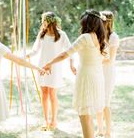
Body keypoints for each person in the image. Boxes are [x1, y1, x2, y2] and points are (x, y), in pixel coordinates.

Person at [43, 10, 106, 138]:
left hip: (86, 77)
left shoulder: (85, 37)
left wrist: (49, 63)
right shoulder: (99, 38)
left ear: (87, 23)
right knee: (88, 115)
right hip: (97, 76)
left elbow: (65, 53)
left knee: (84, 115)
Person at [27, 11, 74, 130]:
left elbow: (70, 51)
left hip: (55, 68)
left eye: (43, 20)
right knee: (44, 93)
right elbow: (35, 50)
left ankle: (54, 120)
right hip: (42, 67)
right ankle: (45, 120)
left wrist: (71, 64)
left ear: (49, 21)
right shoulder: (41, 34)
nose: (42, 22)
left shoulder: (62, 35)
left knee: (52, 94)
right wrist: (27, 55)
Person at [97, 11, 120, 138]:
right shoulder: (98, 35)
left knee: (105, 102)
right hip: (98, 71)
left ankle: (108, 131)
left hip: (108, 72)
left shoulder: (113, 37)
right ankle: (99, 129)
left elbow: (110, 59)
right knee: (98, 102)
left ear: (107, 21)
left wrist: (96, 61)